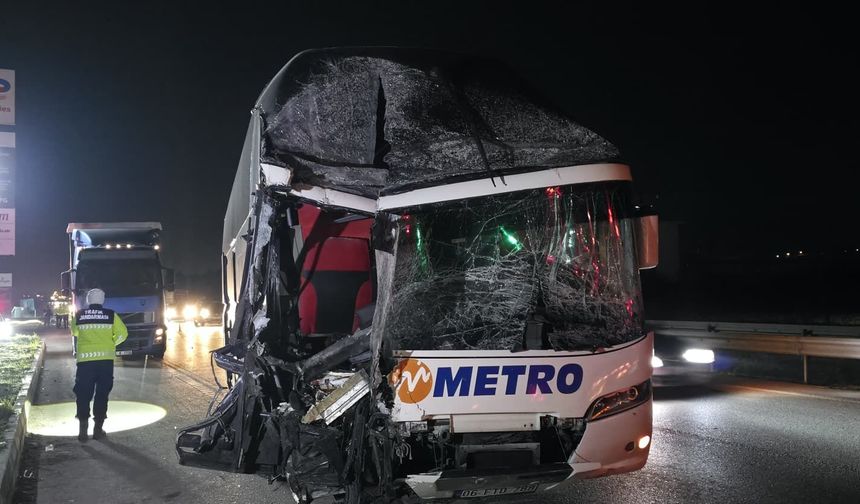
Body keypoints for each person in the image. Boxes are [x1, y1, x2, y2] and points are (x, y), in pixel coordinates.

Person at [70, 288, 127, 442]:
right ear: (102, 300)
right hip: (105, 362)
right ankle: (97, 430)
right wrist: (111, 343)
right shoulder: (110, 315)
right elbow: (123, 333)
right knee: (102, 394)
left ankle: (82, 431)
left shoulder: (79, 315)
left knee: (83, 394)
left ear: (88, 300)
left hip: (85, 362)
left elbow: (75, 332)